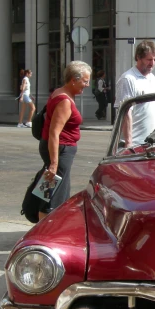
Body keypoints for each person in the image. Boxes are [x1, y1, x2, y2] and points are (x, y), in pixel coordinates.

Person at [38, 61, 91, 221]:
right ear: (73, 80)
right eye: (85, 80)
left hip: (56, 149)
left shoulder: (59, 93)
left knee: (47, 192)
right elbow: (54, 133)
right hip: (60, 151)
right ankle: (46, 231)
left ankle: (41, 229)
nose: (87, 85)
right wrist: (54, 164)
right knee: (54, 196)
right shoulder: (65, 101)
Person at [115, 40, 155, 147]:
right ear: (138, 58)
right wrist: (128, 143)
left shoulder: (152, 78)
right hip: (135, 144)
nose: (152, 63)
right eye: (149, 59)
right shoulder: (128, 79)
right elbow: (126, 113)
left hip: (151, 142)